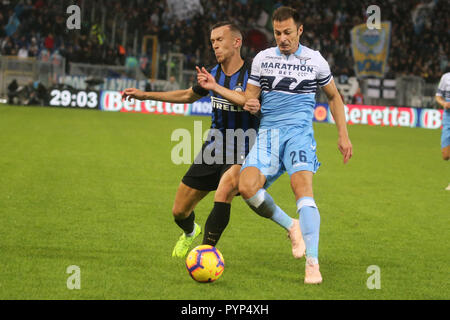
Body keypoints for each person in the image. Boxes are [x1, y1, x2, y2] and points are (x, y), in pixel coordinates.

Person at [196, 7, 353, 284]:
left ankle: (312, 263)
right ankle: (291, 225)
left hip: (299, 135)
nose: (282, 38)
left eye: (288, 32)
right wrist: (249, 103)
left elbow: (334, 97)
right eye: (278, 33)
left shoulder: (315, 60)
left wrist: (343, 135)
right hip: (268, 135)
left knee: (302, 190)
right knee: (246, 188)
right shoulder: (262, 59)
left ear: (300, 30)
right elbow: (249, 99)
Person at [122, 22, 303, 259]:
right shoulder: (212, 73)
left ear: (236, 42)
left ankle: (206, 253)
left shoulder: (255, 72)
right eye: (212, 41)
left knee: (226, 188)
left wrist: (255, 106)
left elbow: (256, 101)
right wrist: (145, 95)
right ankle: (190, 233)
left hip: (247, 144)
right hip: (215, 146)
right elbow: (188, 95)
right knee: (179, 211)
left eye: (219, 39)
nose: (215, 45)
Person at [435, 69, 450, 190]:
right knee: (445, 155)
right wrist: (444, 103)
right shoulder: (446, 78)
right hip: (448, 118)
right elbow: (438, 96)